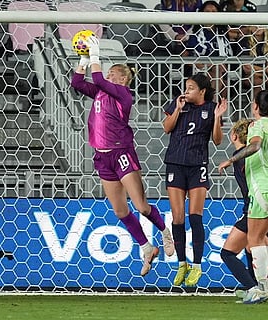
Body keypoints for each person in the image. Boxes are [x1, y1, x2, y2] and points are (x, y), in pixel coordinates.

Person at [70, 36, 174, 277]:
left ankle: (164, 231)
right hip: (102, 156)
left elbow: (97, 79)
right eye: (109, 74)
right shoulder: (99, 92)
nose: (109, 76)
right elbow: (77, 82)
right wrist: (84, 59)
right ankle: (146, 247)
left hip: (122, 153)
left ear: (124, 79)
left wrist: (95, 55)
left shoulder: (123, 96)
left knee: (140, 205)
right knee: (119, 211)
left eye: (115, 74)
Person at [218, 90, 268, 304]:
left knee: (253, 241)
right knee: (261, 237)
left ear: (255, 107)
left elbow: (255, 146)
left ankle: (260, 288)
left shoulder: (257, 126)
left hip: (265, 189)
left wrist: (231, 160)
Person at [163, 73, 227, 286]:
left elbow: (217, 141)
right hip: (175, 163)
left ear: (202, 91)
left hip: (197, 165)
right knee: (177, 217)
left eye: (191, 88)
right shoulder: (179, 105)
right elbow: (166, 127)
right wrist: (178, 110)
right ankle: (182, 264)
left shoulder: (211, 109)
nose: (186, 91)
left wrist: (217, 118)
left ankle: (197, 266)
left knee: (195, 216)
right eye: (186, 87)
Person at [219, 119, 268, 301]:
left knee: (228, 253)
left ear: (234, 136)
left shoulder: (241, 156)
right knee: (255, 243)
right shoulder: (261, 155)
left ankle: (255, 288)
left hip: (254, 207)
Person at [186, 1, 232, 98]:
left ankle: (215, 109)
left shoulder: (222, 34)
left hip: (221, 72)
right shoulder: (196, 33)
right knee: (217, 74)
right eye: (207, 12)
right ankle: (213, 108)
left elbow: (228, 55)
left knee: (222, 79)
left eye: (214, 12)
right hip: (200, 70)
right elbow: (186, 55)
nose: (210, 15)